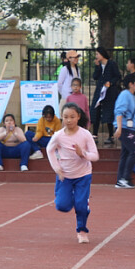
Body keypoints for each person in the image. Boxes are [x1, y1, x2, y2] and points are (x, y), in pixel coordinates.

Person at [46, 103, 99, 244]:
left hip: (83, 175)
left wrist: (83, 154)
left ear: (78, 117)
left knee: (81, 205)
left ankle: (82, 230)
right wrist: (56, 168)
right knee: (62, 206)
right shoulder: (58, 136)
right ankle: (73, 199)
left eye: (72, 117)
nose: (68, 120)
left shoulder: (85, 134)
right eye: (65, 117)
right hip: (65, 176)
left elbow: (95, 156)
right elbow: (49, 150)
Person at [113, 73, 135, 188]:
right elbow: (119, 111)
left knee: (125, 153)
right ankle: (124, 178)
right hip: (124, 128)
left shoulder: (133, 96)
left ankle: (121, 179)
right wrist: (119, 127)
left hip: (130, 128)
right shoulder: (125, 94)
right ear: (131, 84)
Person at [90, 47, 120, 144]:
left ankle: (111, 135)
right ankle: (95, 134)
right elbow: (95, 76)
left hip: (110, 92)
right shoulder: (99, 65)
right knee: (95, 109)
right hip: (100, 91)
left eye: (97, 54)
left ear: (102, 54)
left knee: (109, 111)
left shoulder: (111, 64)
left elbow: (117, 76)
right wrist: (97, 67)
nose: (96, 56)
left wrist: (110, 83)